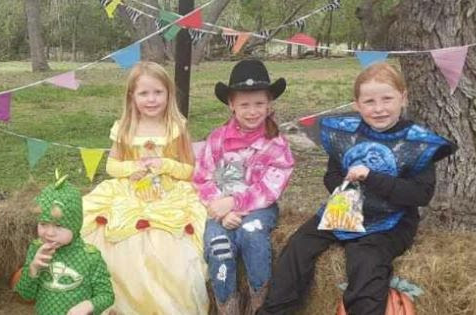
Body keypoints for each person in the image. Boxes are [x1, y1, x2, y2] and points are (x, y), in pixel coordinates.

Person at [259, 63, 457, 315]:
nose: (379, 108)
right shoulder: (346, 135)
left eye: (387, 99)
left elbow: (420, 194)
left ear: (403, 98)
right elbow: (331, 176)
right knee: (297, 249)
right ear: (357, 105)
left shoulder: (417, 143)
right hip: (344, 210)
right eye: (370, 101)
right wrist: (344, 188)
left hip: (391, 221)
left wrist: (371, 177)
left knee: (366, 265)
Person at [80, 61, 209, 314]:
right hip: (130, 192)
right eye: (144, 93)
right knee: (117, 242)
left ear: (168, 94)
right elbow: (112, 166)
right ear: (132, 96)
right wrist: (131, 169)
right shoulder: (125, 128)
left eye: (158, 92)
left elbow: (190, 170)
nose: (151, 99)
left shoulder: (176, 126)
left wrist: (166, 164)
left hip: (168, 195)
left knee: (165, 246)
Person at [193, 59, 295, 314]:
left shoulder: (276, 144)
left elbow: (270, 188)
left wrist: (235, 203)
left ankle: (259, 302)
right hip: (221, 208)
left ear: (269, 103)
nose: (252, 111)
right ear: (231, 104)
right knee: (218, 244)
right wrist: (222, 210)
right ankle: (227, 304)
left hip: (260, 209)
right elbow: (202, 178)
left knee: (252, 234)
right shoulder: (217, 139)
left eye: (259, 104)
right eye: (244, 104)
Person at [15, 172, 114, 315]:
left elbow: (106, 295)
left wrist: (89, 305)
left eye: (59, 226)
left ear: (75, 225)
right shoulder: (37, 250)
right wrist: (33, 269)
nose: (49, 233)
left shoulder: (90, 257)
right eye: (43, 224)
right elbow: (25, 295)